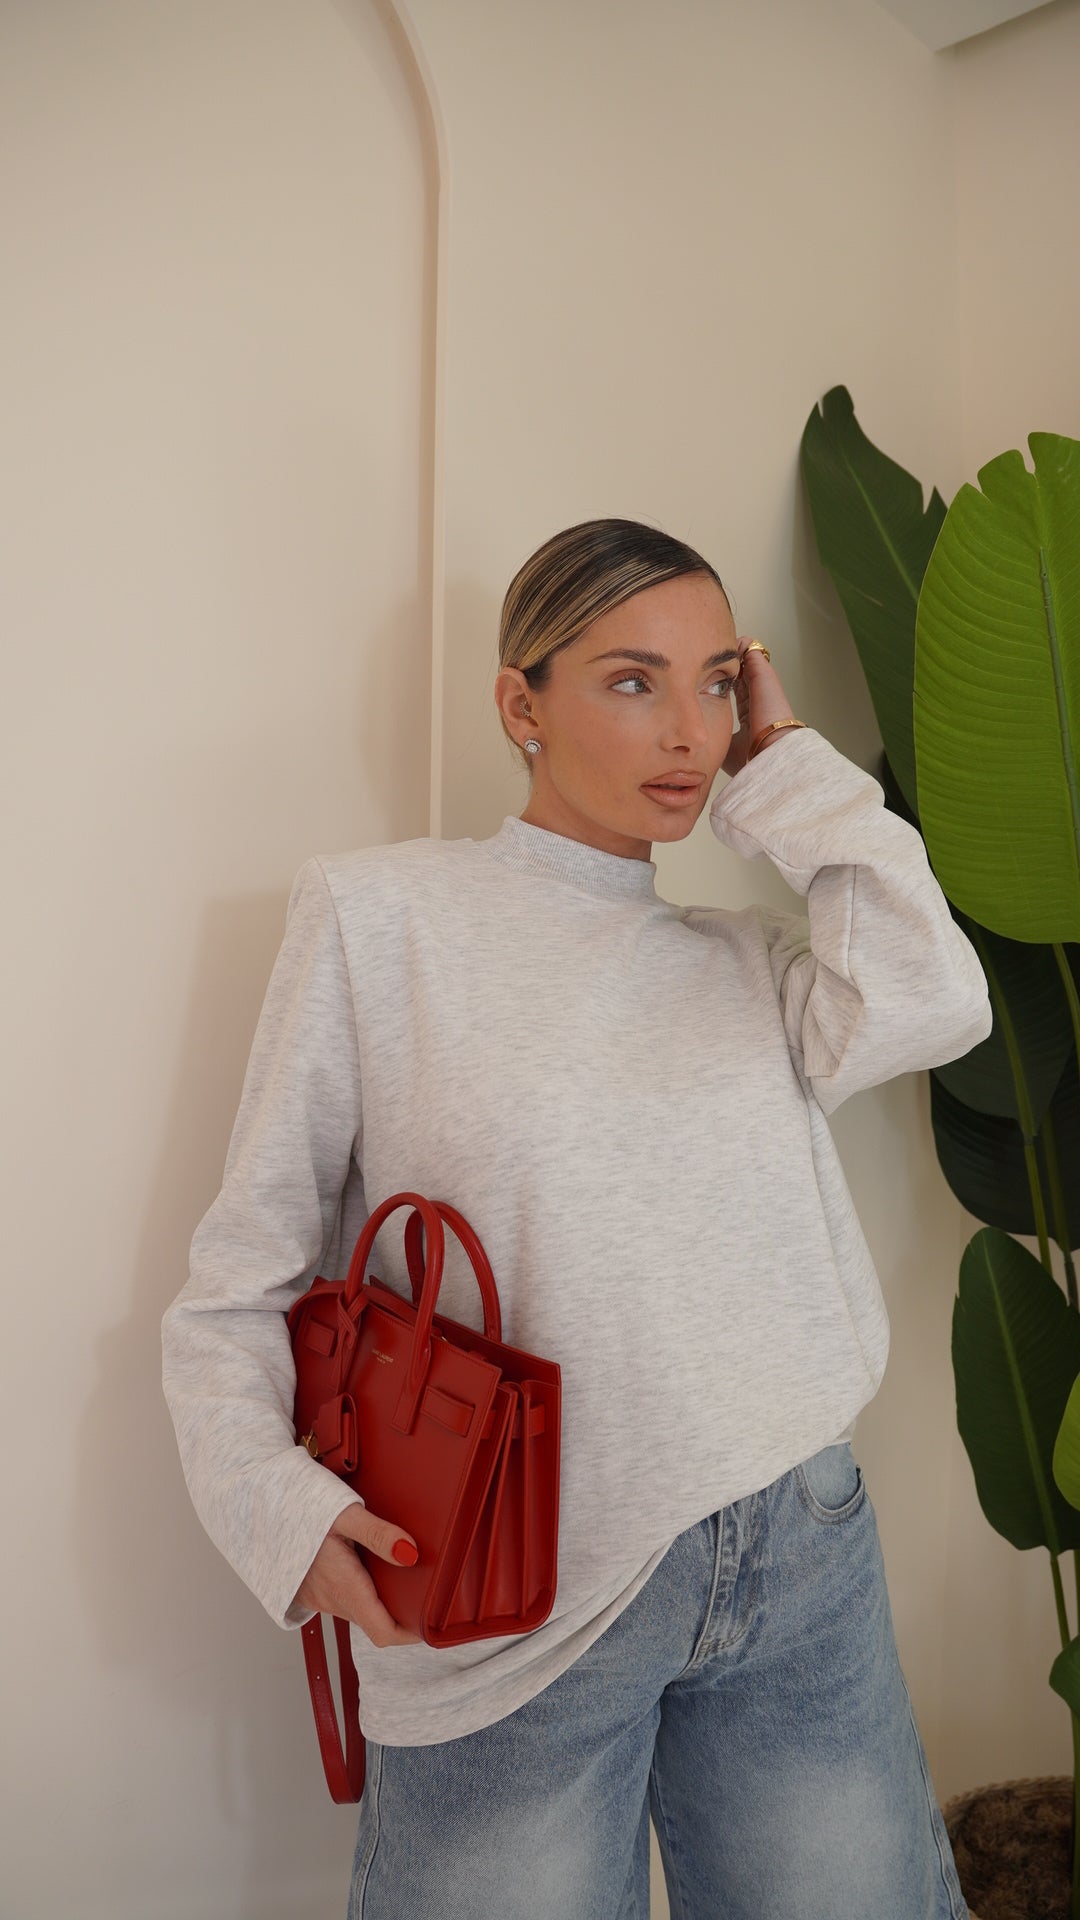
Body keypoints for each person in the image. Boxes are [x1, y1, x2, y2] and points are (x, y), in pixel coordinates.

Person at [162, 517, 990, 1919]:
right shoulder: (381, 918)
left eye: (715, 684)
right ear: (520, 704)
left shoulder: (746, 960)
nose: (688, 730)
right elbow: (245, 1272)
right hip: (509, 1588)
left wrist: (784, 767)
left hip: (794, 1541)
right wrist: (277, 1512)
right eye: (629, 680)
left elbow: (937, 996)